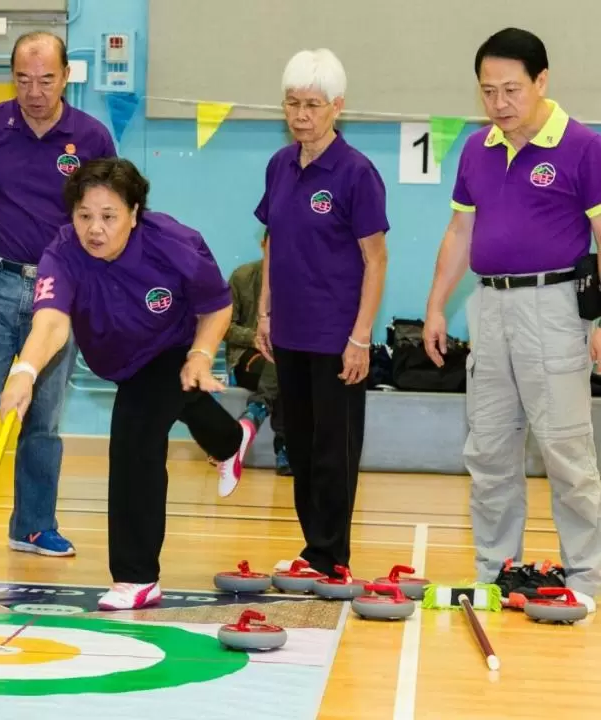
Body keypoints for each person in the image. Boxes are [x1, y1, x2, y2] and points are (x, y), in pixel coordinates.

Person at [0, 158, 248, 610]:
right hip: (118, 356)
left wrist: (200, 354)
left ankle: (138, 577)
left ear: (135, 213)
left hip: (172, 343)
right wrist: (24, 372)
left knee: (136, 440)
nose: (95, 229)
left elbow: (217, 305)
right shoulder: (62, 252)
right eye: (84, 215)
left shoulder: (175, 244)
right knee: (181, 399)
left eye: (109, 216)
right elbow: (52, 323)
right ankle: (232, 438)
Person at [423, 28, 601, 608]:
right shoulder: (477, 148)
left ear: (542, 81)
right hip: (489, 307)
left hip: (553, 309)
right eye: (488, 91)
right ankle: (495, 571)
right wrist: (434, 307)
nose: (499, 104)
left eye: (511, 90)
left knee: (565, 450)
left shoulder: (581, 146)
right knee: (490, 450)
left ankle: (586, 579)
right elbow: (459, 231)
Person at [0, 32, 117, 561]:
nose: (34, 91)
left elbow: (111, 216)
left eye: (47, 79)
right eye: (23, 79)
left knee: (44, 417)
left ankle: (34, 524)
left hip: (60, 293)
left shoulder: (92, 137)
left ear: (66, 77)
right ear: (11, 76)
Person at [253, 49, 389, 579]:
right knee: (302, 448)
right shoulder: (279, 165)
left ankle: (333, 556)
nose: (301, 115)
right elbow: (271, 243)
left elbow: (375, 260)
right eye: (292, 104)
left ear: (338, 107)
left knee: (335, 450)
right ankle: (313, 549)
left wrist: (360, 338)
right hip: (288, 331)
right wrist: (265, 311)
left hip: (336, 335)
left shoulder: (356, 173)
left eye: (312, 104)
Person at [225, 231, 290, 481]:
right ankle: (284, 450)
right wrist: (255, 337)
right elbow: (223, 326)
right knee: (283, 369)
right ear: (263, 245)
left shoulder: (298, 281)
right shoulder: (242, 277)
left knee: (286, 369)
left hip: (283, 360)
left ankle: (257, 410)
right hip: (247, 357)